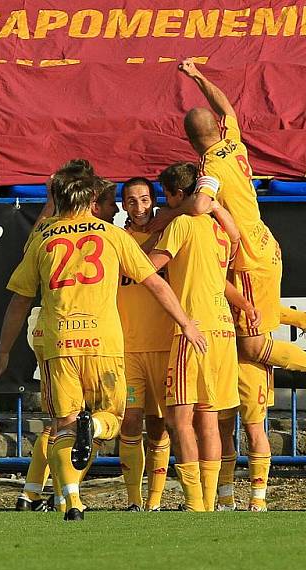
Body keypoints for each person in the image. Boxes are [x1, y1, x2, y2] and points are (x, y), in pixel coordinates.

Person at [154, 58, 306, 510]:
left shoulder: (209, 166)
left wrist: (167, 215)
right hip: (266, 244)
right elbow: (227, 108)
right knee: (249, 324)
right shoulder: (234, 145)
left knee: (253, 344)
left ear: (189, 141)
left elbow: (200, 204)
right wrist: (201, 76)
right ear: (217, 129)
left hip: (247, 257)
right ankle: (304, 318)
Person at [0, 174, 206, 521]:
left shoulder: (43, 235)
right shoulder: (113, 235)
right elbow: (154, 283)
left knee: (63, 424)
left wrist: (3, 352)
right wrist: (186, 322)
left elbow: (19, 300)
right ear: (93, 201)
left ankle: (70, 502)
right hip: (104, 341)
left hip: (59, 341)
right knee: (113, 420)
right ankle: (98, 431)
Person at [147, 163, 245, 511]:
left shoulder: (182, 223)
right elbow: (232, 246)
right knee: (210, 418)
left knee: (179, 418)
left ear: (176, 195)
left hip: (193, 329)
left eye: (166, 196)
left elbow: (150, 266)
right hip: (222, 332)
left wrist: (129, 253)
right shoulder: (219, 231)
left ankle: (194, 502)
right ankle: (210, 499)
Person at [15, 159, 95, 513]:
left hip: (55, 333)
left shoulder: (49, 229)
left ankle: (32, 493)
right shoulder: (93, 232)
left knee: (64, 420)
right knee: (77, 422)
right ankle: (64, 495)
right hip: (79, 334)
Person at [116, 178, 174, 511]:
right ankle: (134, 500)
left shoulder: (169, 237)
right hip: (128, 348)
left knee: (159, 425)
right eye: (131, 201)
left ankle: (154, 501)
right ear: (123, 205)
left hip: (164, 346)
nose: (138, 207)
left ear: (154, 201)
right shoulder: (117, 240)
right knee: (130, 421)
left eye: (144, 200)